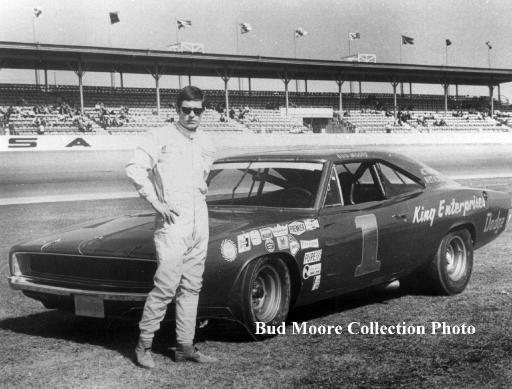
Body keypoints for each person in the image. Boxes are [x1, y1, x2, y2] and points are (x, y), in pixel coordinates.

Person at [126, 86, 217, 369]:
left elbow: (203, 179)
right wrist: (156, 202)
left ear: (203, 111)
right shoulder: (159, 136)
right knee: (166, 285)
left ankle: (185, 346)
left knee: (192, 286)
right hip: (172, 221)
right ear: (176, 110)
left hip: (199, 219)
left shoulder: (207, 141)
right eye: (186, 110)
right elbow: (134, 169)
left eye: (197, 110)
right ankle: (144, 345)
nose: (192, 115)